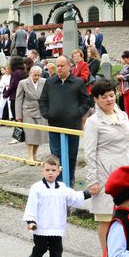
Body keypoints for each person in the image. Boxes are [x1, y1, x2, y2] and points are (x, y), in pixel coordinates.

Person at [83, 79, 129, 251]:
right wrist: (92, 180)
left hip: (126, 171)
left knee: (127, 217)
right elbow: (89, 153)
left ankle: (126, 256)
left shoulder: (123, 115)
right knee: (107, 218)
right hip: (105, 174)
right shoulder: (93, 121)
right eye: (104, 96)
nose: (109, 99)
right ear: (96, 99)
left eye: (112, 95)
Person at [23, 155, 89, 257]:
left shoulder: (63, 188)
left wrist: (88, 193)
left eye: (53, 170)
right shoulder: (36, 188)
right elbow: (31, 205)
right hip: (41, 226)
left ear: (58, 171)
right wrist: (31, 221)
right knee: (40, 248)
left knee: (57, 251)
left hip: (56, 226)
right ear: (42, 171)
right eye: (47, 170)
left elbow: (74, 197)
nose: (50, 173)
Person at [39, 55, 93, 187]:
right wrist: (47, 114)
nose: (59, 68)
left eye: (62, 65)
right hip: (55, 126)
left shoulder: (78, 82)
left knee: (71, 155)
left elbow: (87, 100)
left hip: (72, 126)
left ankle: (70, 180)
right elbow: (43, 100)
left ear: (70, 66)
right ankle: (58, 182)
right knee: (56, 155)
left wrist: (77, 113)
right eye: (57, 65)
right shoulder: (50, 82)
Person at [15, 66, 48, 161]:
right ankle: (30, 156)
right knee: (30, 134)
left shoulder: (44, 81)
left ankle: (34, 155)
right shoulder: (23, 83)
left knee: (39, 134)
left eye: (39, 75)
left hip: (41, 112)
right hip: (28, 112)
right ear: (30, 74)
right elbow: (18, 99)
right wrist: (18, 116)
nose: (37, 77)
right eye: (35, 75)